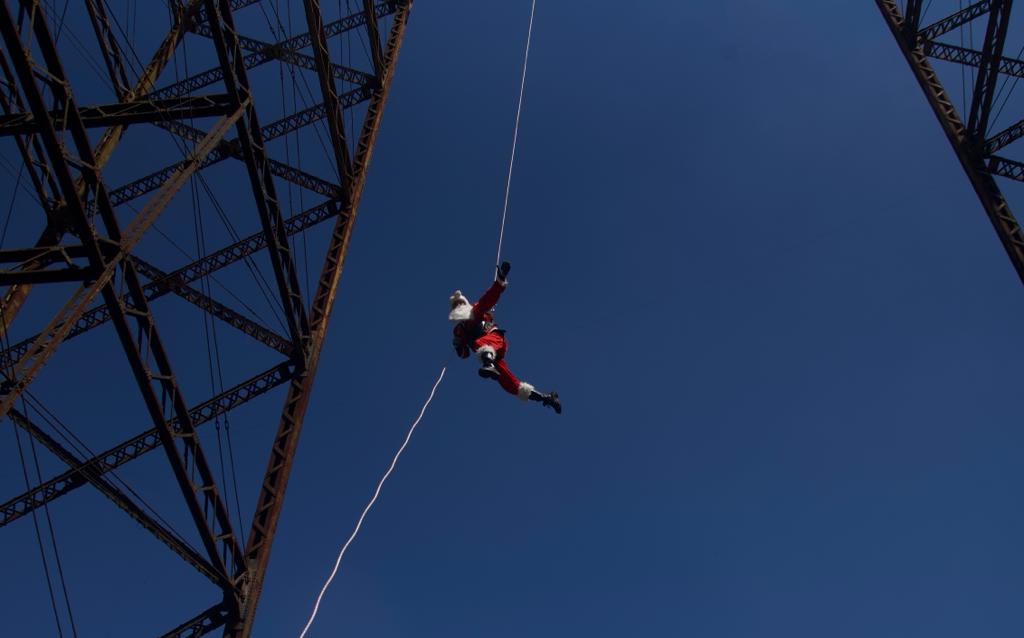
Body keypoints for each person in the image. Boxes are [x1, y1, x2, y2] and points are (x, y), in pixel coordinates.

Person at [449, 261, 561, 414]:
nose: (459, 306)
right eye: (456, 305)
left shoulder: (475, 310)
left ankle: (488, 364)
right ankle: (546, 398)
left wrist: (500, 280)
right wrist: (458, 345)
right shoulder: (459, 331)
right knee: (510, 384)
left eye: (460, 303)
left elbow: (488, 298)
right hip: (491, 357)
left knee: (480, 342)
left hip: (494, 340)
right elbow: (464, 354)